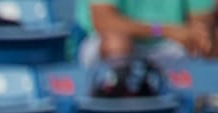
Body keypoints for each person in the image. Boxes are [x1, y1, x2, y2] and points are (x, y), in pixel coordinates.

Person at [79, 0, 215, 67]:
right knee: (116, 43)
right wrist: (164, 31)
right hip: (106, 46)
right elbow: (104, 21)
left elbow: (201, 19)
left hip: (172, 47)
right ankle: (123, 108)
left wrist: (200, 34)